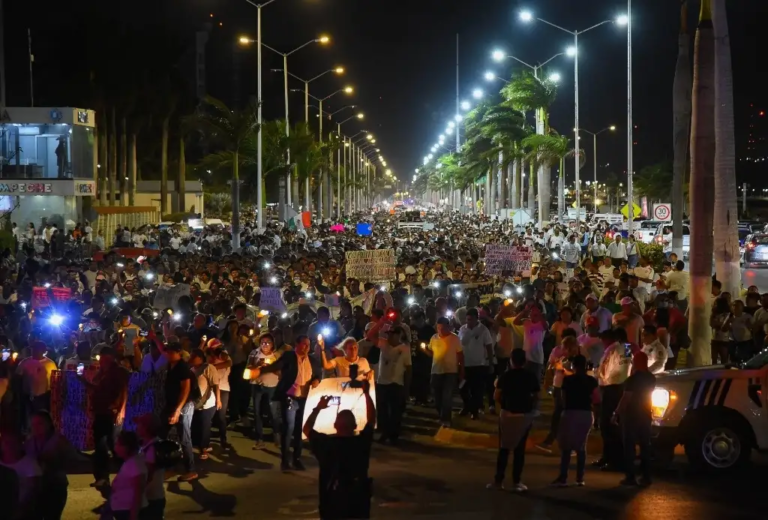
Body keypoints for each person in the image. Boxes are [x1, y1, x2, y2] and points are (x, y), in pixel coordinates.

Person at [303, 380, 376, 520]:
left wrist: (318, 408)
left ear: (335, 425)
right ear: (355, 425)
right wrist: (366, 393)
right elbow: (372, 419)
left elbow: (307, 429)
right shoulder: (361, 443)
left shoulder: (326, 444)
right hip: (358, 504)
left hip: (331, 504)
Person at [250, 335, 321, 471]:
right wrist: (260, 370)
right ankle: (285, 460)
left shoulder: (312, 359)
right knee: (288, 428)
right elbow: (275, 366)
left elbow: (318, 373)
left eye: (308, 345)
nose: (307, 347)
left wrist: (316, 380)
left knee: (299, 429)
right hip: (290, 397)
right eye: (304, 344)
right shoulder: (289, 356)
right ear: (297, 344)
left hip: (304, 398)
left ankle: (297, 458)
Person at [487, 348, 539, 492]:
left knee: (504, 448)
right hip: (524, 415)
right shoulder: (531, 376)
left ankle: (499, 480)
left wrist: (503, 404)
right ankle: (517, 482)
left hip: (507, 414)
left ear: (511, 360)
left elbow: (496, 395)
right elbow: (536, 396)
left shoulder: (505, 376)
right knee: (519, 449)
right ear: (525, 361)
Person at [79, 345, 129, 488]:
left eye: (105, 358)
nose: (102, 361)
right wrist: (83, 381)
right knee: (100, 446)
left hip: (113, 412)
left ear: (111, 358)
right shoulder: (101, 373)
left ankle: (126, 475)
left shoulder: (119, 371)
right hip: (100, 412)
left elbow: (124, 391)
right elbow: (96, 390)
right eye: (102, 358)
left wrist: (121, 410)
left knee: (115, 445)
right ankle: (102, 477)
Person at [552, 354, 599, 486]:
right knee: (581, 446)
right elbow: (597, 399)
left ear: (573, 366)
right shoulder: (591, 381)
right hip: (586, 413)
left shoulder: (568, 380)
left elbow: (563, 398)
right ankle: (580, 478)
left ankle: (563, 477)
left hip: (571, 412)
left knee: (566, 447)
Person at [614, 351, 656, 487]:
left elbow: (625, 399)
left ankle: (630, 477)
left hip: (631, 415)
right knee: (645, 446)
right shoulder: (651, 378)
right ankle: (646, 475)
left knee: (629, 447)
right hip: (645, 414)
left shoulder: (631, 380)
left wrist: (616, 413)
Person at [594, 329, 632, 471]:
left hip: (611, 388)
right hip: (619, 386)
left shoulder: (612, 349)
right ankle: (609, 457)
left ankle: (613, 459)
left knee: (608, 424)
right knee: (612, 424)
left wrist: (598, 375)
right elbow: (628, 366)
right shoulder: (626, 347)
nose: (602, 343)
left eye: (603, 340)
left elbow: (604, 370)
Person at [160, 340, 197, 482]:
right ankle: (169, 467)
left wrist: (177, 410)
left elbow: (185, 389)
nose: (168, 354)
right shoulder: (171, 365)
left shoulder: (182, 367)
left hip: (183, 406)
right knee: (164, 434)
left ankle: (190, 470)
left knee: (184, 438)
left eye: (171, 352)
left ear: (179, 353)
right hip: (172, 405)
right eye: (167, 351)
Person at [26, 410, 73, 520]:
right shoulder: (29, 443)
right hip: (35, 489)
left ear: (49, 424)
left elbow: (70, 460)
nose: (36, 427)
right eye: (33, 424)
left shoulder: (59, 441)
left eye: (40, 423)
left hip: (55, 487)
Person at [539, 335, 580, 453]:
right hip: (558, 389)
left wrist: (561, 368)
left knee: (562, 418)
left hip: (566, 391)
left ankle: (557, 443)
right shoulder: (563, 358)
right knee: (558, 417)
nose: (561, 349)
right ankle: (551, 441)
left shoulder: (574, 360)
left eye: (564, 347)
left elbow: (574, 375)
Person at [421, 316, 464, 427]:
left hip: (450, 371)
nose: (440, 330)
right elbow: (431, 353)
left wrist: (461, 370)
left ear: (448, 327)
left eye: (443, 328)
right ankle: (442, 414)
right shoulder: (434, 338)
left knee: (447, 396)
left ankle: (446, 419)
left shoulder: (455, 338)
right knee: (437, 396)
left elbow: (460, 355)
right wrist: (425, 349)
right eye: (439, 328)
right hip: (436, 371)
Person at [376, 326, 412, 445]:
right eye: (388, 334)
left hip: (396, 383)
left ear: (398, 335)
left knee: (395, 411)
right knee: (383, 411)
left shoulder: (404, 348)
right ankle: (385, 433)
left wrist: (406, 388)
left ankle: (393, 435)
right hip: (382, 383)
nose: (389, 336)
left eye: (392, 334)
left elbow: (408, 368)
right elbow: (370, 335)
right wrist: (381, 322)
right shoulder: (383, 343)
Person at [246, 333, 281, 449]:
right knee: (257, 412)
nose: (265, 345)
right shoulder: (254, 353)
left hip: (272, 386)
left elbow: (280, 372)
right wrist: (257, 365)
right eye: (263, 342)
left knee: (273, 412)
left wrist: (270, 367)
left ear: (272, 344)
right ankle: (259, 439)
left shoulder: (276, 355)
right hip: (257, 385)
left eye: (268, 342)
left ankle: (276, 433)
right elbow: (248, 369)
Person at [457, 308, 494, 419]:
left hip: (479, 365)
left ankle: (474, 411)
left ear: (476, 319)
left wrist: (491, 363)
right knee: (462, 387)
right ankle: (467, 406)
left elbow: (489, 347)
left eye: (471, 319)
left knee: (476, 390)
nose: (469, 322)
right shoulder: (462, 329)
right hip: (465, 365)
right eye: (467, 319)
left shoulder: (483, 330)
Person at [0, 432, 41, 519]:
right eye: (6, 442)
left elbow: (35, 491)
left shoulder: (30, 464)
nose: (9, 446)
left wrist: (21, 509)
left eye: (13, 443)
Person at [189, 348, 221, 460]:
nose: (191, 358)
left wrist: (218, 400)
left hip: (207, 403)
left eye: (194, 356)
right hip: (195, 403)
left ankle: (204, 448)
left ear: (200, 358)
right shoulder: (192, 369)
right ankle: (198, 445)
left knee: (205, 426)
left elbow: (215, 385)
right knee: (196, 425)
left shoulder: (208, 368)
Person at [109, 430, 148, 520]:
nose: (115, 447)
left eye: (118, 444)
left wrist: (133, 515)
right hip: (123, 510)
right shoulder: (129, 462)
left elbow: (138, 492)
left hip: (128, 512)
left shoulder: (135, 464)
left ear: (126, 447)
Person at [17, 341, 57, 425]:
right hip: (27, 395)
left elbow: (54, 380)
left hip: (44, 396)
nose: (33, 351)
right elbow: (18, 378)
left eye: (36, 349)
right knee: (28, 416)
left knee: (42, 417)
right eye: (33, 349)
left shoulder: (50, 363)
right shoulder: (25, 362)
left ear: (43, 351)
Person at [136, 414, 166, 520]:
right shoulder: (148, 444)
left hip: (151, 499)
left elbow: (148, 475)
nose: (137, 427)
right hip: (152, 497)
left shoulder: (152, 448)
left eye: (139, 424)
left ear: (147, 428)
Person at [513, 303, 547, 384]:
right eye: (531, 311)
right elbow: (515, 321)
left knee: (535, 381)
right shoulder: (526, 322)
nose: (532, 313)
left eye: (535, 311)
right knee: (525, 381)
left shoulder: (542, 323)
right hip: (526, 357)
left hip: (537, 357)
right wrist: (524, 311)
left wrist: (538, 313)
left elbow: (545, 326)